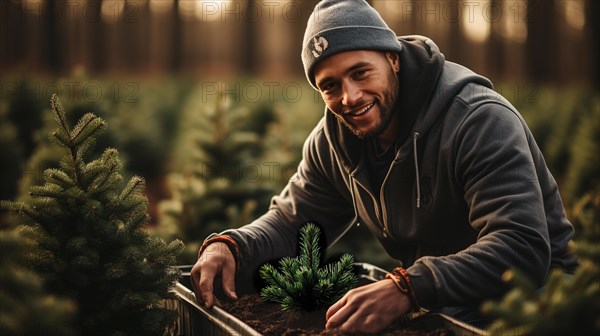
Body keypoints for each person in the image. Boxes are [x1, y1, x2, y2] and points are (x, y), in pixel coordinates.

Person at [191, 0, 578, 333]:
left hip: (534, 302)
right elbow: (293, 222)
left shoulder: (476, 119)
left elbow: (522, 245)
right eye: (330, 86)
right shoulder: (334, 142)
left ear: (392, 58)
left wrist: (407, 287)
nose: (350, 97)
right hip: (438, 300)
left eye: (360, 73)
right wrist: (231, 246)